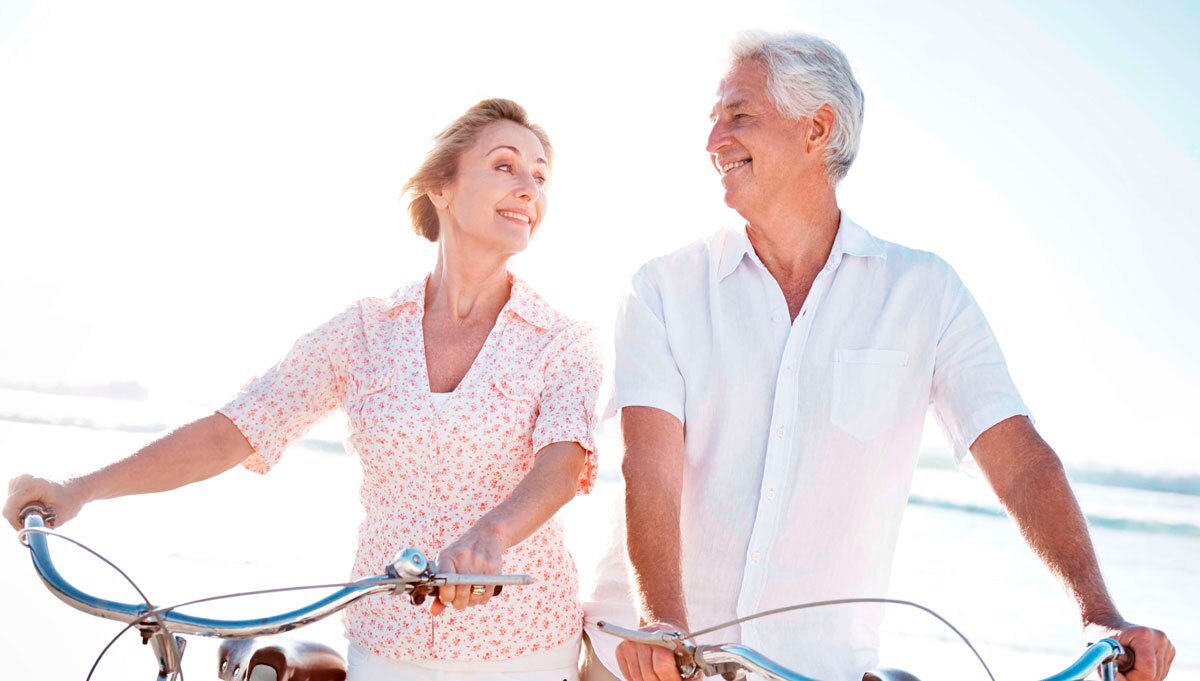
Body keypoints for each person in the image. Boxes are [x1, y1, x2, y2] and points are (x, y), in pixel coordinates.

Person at [581, 31, 1176, 681]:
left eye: (739, 115)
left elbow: (1019, 459)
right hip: (647, 661)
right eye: (715, 119)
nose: (713, 141)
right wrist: (664, 622)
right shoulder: (663, 287)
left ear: (817, 130)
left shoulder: (925, 293)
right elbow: (651, 468)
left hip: (812, 670)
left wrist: (1099, 612)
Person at [4, 98, 603, 681]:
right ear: (441, 188)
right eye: (505, 166)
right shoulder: (364, 332)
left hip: (521, 650)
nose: (530, 188)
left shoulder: (561, 341)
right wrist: (77, 489)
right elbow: (230, 434)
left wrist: (488, 537)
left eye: (540, 176)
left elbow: (561, 463)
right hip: (384, 646)